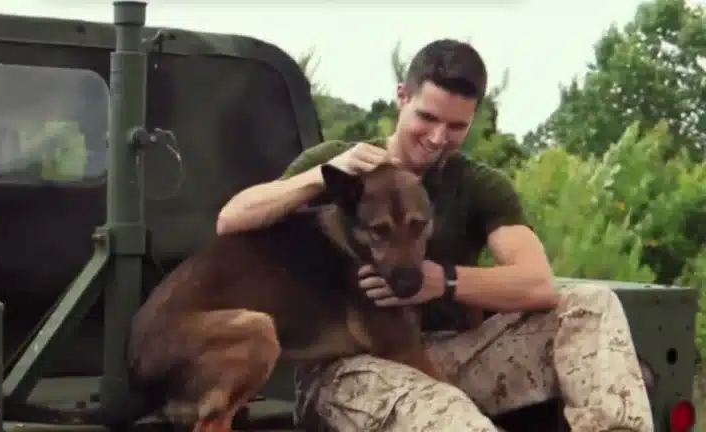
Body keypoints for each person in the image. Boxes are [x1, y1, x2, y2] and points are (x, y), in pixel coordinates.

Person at [216, 39, 654, 432]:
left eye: (457, 126)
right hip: (349, 372)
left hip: (445, 355)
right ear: (402, 97)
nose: (438, 138)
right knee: (447, 417)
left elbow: (538, 283)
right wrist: (316, 179)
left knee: (592, 304)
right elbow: (232, 220)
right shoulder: (340, 166)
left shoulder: (477, 184)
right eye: (427, 117)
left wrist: (441, 281)